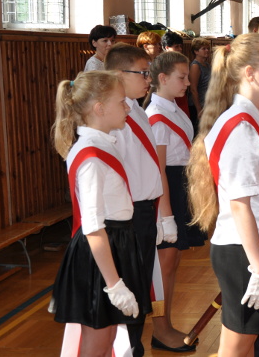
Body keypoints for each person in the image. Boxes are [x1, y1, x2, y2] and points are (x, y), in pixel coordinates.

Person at [186, 34, 259, 357]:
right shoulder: (240, 127)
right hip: (244, 250)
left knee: (241, 341)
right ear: (250, 73)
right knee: (237, 346)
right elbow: (240, 206)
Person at [50, 71, 151, 354]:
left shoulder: (101, 144)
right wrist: (114, 284)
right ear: (99, 109)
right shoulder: (91, 155)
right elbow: (92, 226)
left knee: (108, 339)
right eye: (122, 102)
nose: (128, 107)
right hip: (102, 251)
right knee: (98, 340)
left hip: (116, 243)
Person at [105, 44, 179, 356]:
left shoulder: (135, 108)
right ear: (118, 75)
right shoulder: (112, 114)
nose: (147, 79)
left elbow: (149, 166)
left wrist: (163, 215)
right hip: (127, 215)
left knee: (142, 285)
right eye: (142, 73)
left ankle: (135, 346)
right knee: (132, 289)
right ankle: (129, 349)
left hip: (145, 211)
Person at [146, 51, 206, 352]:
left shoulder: (174, 108)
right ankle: (160, 328)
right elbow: (158, 171)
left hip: (179, 184)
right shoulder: (156, 117)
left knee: (173, 260)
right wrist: (166, 215)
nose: (187, 82)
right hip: (165, 190)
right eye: (181, 77)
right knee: (164, 264)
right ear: (163, 79)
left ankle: (165, 323)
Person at [188, 37, 212, 132]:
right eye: (203, 49)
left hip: (206, 103)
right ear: (196, 51)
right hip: (198, 105)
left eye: (208, 48)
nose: (207, 51)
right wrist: (199, 109)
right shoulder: (195, 66)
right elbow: (193, 89)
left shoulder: (207, 65)